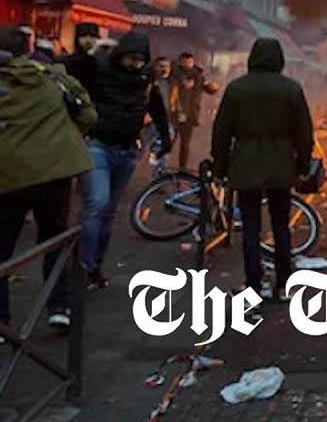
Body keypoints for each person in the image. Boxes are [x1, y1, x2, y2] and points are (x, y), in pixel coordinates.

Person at [0, 26, 98, 331]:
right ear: (27, 48)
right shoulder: (52, 76)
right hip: (55, 172)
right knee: (55, 239)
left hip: (8, 174)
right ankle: (59, 307)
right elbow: (88, 115)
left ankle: (2, 321)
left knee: (2, 249)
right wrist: (61, 138)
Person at [211, 39, 314, 299]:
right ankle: (283, 284)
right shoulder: (291, 89)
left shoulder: (237, 89)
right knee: (281, 225)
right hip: (281, 165)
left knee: (250, 226)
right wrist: (302, 166)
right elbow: (304, 133)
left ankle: (253, 284)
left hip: (245, 164)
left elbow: (221, 132)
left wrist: (220, 167)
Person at [77, 32, 171, 289]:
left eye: (141, 60)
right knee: (97, 203)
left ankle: (94, 265)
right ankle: (83, 267)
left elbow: (156, 107)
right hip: (98, 145)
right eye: (133, 59)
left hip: (127, 150)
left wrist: (165, 136)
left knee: (108, 212)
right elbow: (67, 69)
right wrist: (90, 54)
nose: (137, 64)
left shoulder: (145, 77)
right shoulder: (99, 67)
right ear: (122, 54)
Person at [172, 53, 220, 170]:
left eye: (189, 62)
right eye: (185, 62)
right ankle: (159, 168)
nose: (187, 64)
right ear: (180, 62)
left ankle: (182, 168)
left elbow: (209, 89)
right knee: (168, 142)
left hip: (189, 114)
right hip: (173, 113)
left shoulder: (198, 75)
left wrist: (214, 87)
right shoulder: (172, 74)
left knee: (185, 144)